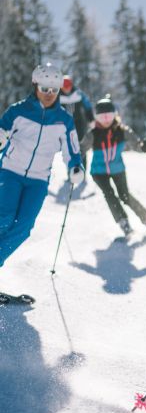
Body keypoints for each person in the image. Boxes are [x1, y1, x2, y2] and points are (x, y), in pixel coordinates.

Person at [0, 62, 84, 269]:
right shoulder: (18, 111)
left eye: (54, 90)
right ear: (35, 86)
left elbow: (72, 151)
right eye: (44, 89)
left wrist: (75, 167)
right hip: (10, 172)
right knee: (4, 219)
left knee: (24, 227)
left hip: (38, 180)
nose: (49, 94)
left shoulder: (64, 120)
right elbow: (3, 131)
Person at [81, 95, 146, 237]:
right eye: (102, 117)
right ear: (96, 118)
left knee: (125, 196)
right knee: (109, 195)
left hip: (117, 168)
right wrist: (76, 164)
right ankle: (124, 223)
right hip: (98, 171)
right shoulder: (93, 134)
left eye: (109, 116)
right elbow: (81, 149)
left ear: (115, 115)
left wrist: (145, 147)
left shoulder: (122, 131)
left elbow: (137, 145)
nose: (106, 120)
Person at [60, 74, 95, 173]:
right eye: (64, 87)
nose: (66, 89)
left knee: (81, 147)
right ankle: (71, 172)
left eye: (68, 87)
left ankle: (82, 170)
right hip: (65, 126)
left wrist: (91, 120)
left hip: (80, 125)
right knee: (68, 149)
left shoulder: (78, 94)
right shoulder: (57, 96)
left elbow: (88, 107)